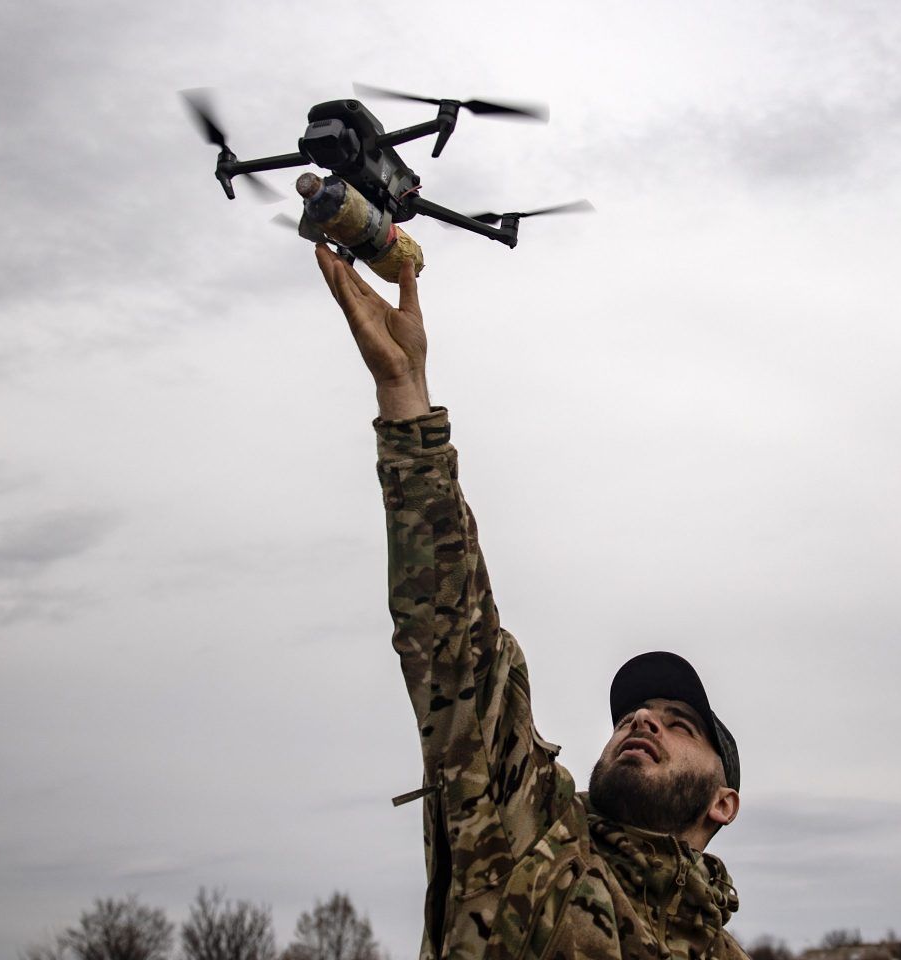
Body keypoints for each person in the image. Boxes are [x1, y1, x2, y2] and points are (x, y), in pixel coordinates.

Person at [314, 245, 750, 960]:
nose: (643, 719)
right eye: (640, 715)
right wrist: (406, 397)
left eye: (682, 725)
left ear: (722, 803)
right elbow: (460, 651)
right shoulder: (529, 834)